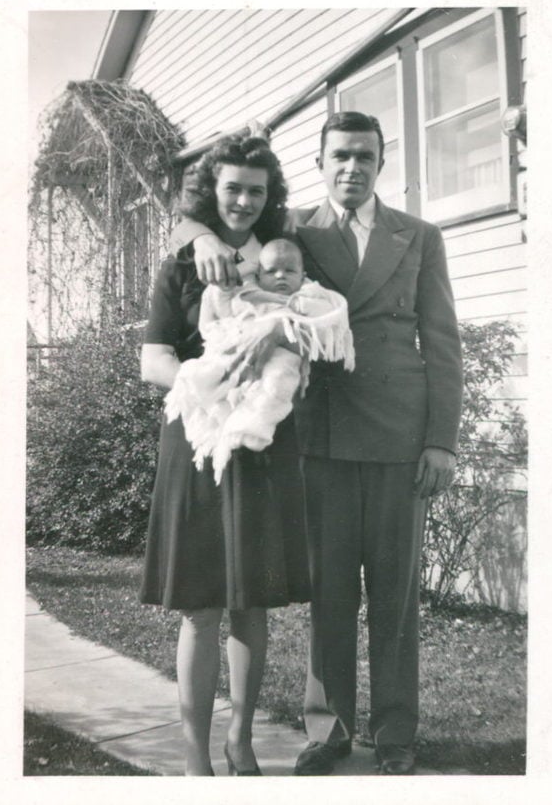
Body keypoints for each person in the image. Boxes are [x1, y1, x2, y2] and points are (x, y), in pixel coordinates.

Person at [176, 111, 464, 776]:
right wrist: (194, 237)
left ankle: (394, 734)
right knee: (330, 591)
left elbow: (442, 342)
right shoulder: (292, 233)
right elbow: (212, 219)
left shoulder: (418, 236)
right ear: (319, 163)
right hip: (322, 436)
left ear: (382, 162)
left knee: (393, 595)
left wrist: (441, 441)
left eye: (365, 156)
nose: (352, 168)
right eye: (340, 156)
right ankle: (328, 728)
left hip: (398, 436)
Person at [139, 136, 312, 777]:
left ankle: (241, 741)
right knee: (202, 605)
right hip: (197, 441)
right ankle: (195, 758)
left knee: (252, 602)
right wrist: (211, 377)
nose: (243, 201)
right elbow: (151, 360)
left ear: (271, 200)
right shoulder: (180, 266)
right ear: (212, 191)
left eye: (256, 191)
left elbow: (314, 325)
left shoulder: (287, 260)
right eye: (232, 188)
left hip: (263, 447)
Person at [164, 237, 355, 484]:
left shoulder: (308, 295)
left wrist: (282, 327)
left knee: (277, 383)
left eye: (289, 271)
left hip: (284, 356)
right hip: (241, 354)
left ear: (302, 275)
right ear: (259, 274)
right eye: (271, 271)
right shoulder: (250, 294)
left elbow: (325, 319)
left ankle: (255, 426)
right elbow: (220, 309)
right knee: (211, 373)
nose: (280, 277)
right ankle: (211, 408)